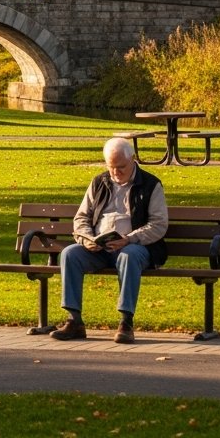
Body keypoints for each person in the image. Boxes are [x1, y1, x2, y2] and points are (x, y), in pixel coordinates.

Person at [50, 137, 168, 344]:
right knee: (70, 253)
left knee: (128, 256)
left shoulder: (150, 184)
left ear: (132, 159)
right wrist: (86, 238)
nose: (116, 172)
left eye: (120, 167)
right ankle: (74, 320)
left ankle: (126, 322)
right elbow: (81, 218)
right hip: (99, 248)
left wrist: (128, 239)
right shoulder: (99, 182)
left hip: (135, 247)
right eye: (111, 167)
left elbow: (158, 224)